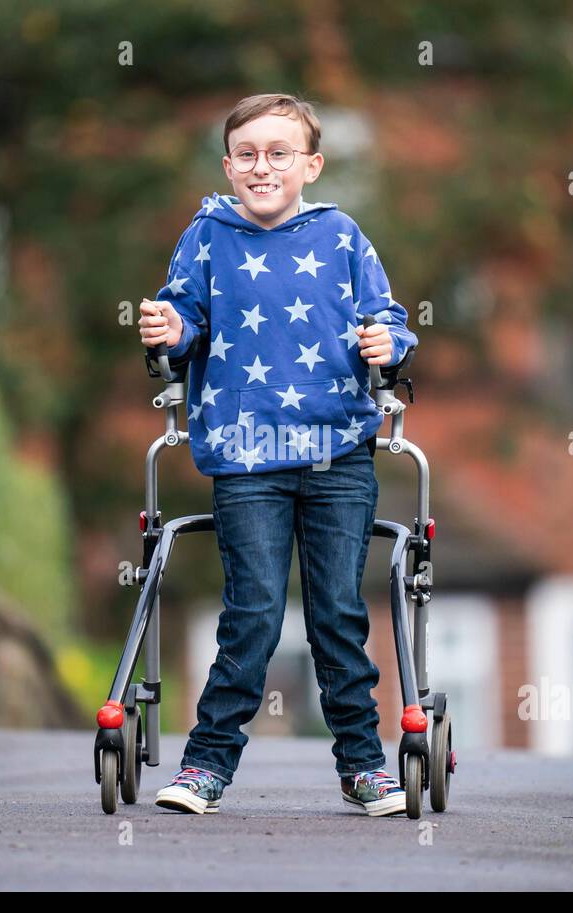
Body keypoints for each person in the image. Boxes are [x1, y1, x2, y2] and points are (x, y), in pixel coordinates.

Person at [137, 93, 417, 816]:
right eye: (248, 155)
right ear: (229, 166)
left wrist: (391, 344)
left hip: (337, 454)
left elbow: (387, 317)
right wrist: (166, 328)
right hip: (245, 454)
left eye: (279, 153)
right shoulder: (205, 237)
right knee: (253, 612)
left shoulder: (342, 235)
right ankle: (205, 766)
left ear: (311, 166)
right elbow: (182, 323)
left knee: (336, 615)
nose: (263, 167)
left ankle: (363, 764)